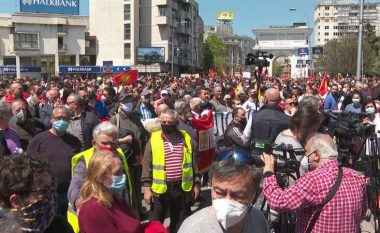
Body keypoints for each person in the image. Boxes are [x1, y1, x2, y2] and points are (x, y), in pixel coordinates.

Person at [261, 133, 367, 233]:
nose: (305, 157)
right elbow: (361, 213)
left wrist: (268, 173)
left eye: (306, 152)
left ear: (316, 154)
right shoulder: (356, 177)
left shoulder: (314, 180)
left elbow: (278, 201)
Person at [178, 150, 270, 233]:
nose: (227, 202)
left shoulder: (259, 222)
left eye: (238, 196)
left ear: (256, 195)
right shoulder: (192, 228)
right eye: (219, 193)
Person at [67, 122, 134, 233]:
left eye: (113, 143)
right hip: (96, 218)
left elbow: (127, 186)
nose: (109, 147)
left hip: (119, 211)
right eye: (104, 143)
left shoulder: (119, 155)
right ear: (94, 143)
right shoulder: (85, 160)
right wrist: (80, 205)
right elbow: (74, 188)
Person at [141, 109, 200, 233]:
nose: (166, 124)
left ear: (176, 123)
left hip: (181, 189)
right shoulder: (154, 139)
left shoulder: (186, 138)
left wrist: (196, 184)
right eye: (164, 122)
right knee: (154, 224)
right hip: (159, 191)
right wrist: (146, 189)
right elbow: (146, 165)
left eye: (170, 122)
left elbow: (193, 163)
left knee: (178, 223)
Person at [26, 106, 82, 218]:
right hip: (46, 193)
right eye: (58, 118)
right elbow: (29, 165)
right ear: (52, 119)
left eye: (65, 118)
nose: (62, 121)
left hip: (67, 192)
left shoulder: (74, 141)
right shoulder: (38, 140)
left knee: (65, 222)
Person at [0, 155, 74, 233]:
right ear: (16, 201)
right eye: (44, 191)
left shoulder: (59, 226)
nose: (51, 196)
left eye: (52, 188)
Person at [77, 151, 144, 233]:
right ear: (101, 177)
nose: (123, 176)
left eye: (122, 171)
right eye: (117, 173)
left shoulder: (116, 199)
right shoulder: (92, 210)